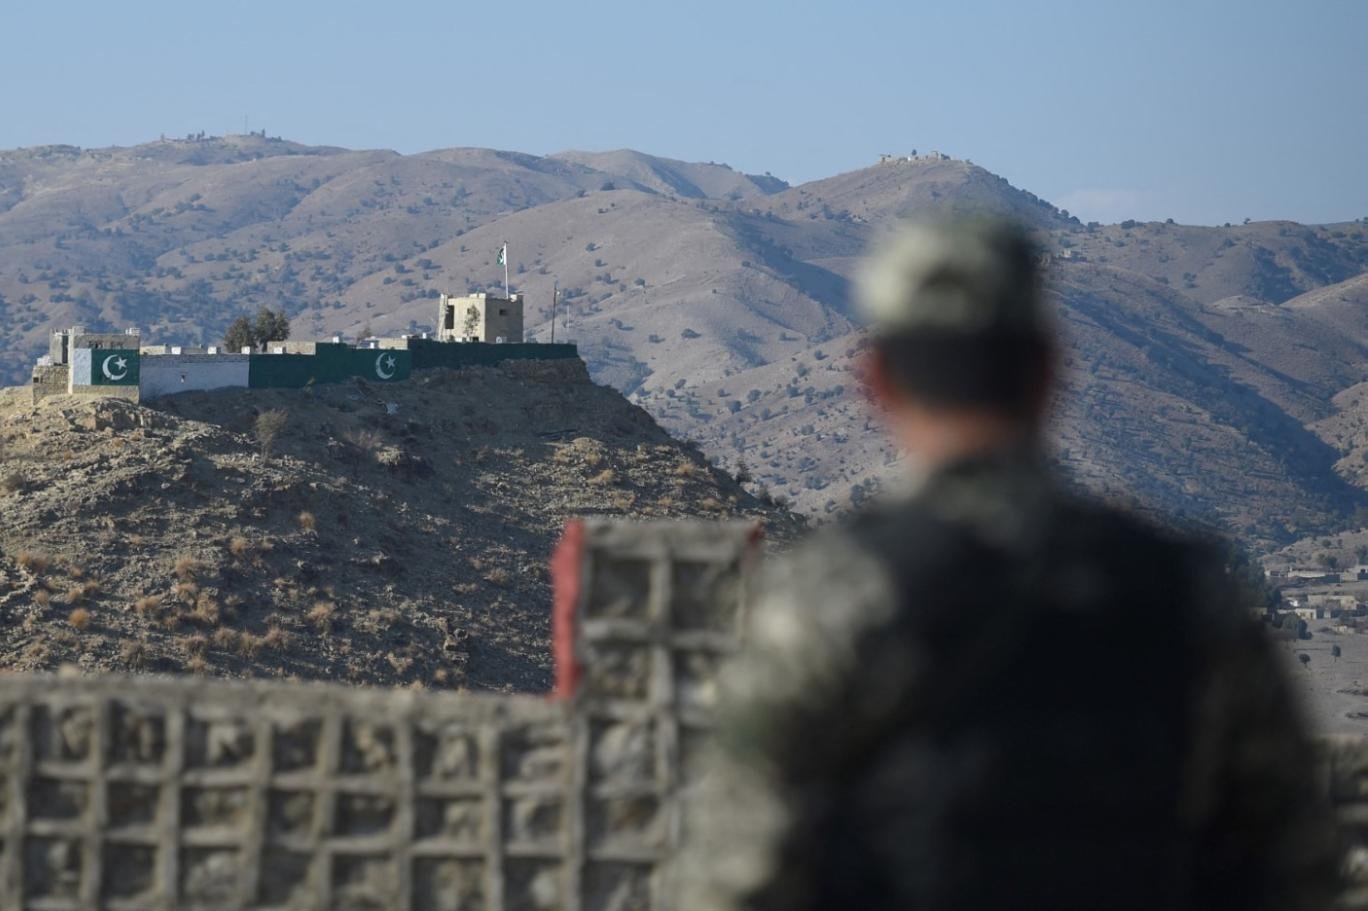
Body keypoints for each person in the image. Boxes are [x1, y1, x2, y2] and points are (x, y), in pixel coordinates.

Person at [680, 218, 1338, 910]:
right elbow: (1293, 866)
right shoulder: (1191, 594)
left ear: (875, 380)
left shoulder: (826, 601)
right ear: (1050, 368)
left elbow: (733, 876)